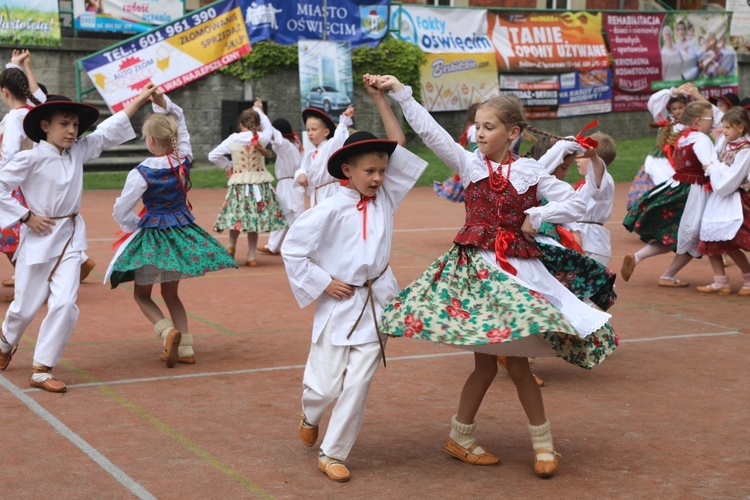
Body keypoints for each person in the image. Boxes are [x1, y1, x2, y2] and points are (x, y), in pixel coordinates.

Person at [377, 75, 618, 478]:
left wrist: (542, 210)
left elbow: (580, 203)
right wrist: (401, 93)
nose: (479, 133)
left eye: (488, 127)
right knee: (496, 366)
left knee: (508, 366)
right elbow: (430, 131)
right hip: (477, 275)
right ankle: (519, 443)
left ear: (514, 132)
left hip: (519, 272)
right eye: (477, 126)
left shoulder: (530, 171)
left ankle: (490, 439)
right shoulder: (469, 163)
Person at [281, 74, 427, 483]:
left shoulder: (386, 196)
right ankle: (310, 412)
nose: (378, 177)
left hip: (377, 299)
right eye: (369, 171)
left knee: (359, 382)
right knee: (325, 387)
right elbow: (294, 249)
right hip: (339, 300)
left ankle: (333, 451)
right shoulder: (328, 208)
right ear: (347, 169)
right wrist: (324, 282)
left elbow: (397, 146)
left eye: (382, 170)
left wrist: (380, 99)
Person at [0, 85, 160, 392]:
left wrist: (139, 101)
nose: (72, 130)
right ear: (45, 126)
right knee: (24, 308)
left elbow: (108, 131)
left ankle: (42, 368)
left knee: (65, 303)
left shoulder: (78, 151)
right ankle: (6, 342)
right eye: (64, 124)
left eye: (74, 124)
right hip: (38, 238)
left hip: (71, 238)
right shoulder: (29, 159)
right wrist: (25, 216)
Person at [106, 89, 238, 367]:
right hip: (180, 232)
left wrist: (131, 227)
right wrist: (163, 103)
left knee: (142, 295)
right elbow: (181, 118)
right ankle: (186, 348)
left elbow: (122, 208)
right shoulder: (184, 157)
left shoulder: (141, 171)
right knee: (171, 294)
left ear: (151, 140)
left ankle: (167, 332)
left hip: (154, 235)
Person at [622, 101, 718, 286]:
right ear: (698, 120)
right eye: (710, 118)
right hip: (694, 193)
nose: (712, 122)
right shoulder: (702, 139)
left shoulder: (683, 137)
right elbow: (709, 167)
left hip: (677, 187)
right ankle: (669, 275)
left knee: (672, 235)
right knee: (693, 238)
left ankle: (638, 258)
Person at [209, 99, 287, 266]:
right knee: (254, 221)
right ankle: (251, 256)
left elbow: (212, 156)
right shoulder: (262, 137)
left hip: (239, 185)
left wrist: (229, 166)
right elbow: (269, 129)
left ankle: (231, 246)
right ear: (257, 125)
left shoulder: (233, 139)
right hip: (259, 185)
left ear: (240, 124)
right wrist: (260, 110)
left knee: (237, 217)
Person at [0, 50, 45, 303]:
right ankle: (29, 280)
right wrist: (17, 65)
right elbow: (39, 95)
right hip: (33, 181)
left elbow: (8, 152)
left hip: (15, 183)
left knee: (10, 235)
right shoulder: (34, 109)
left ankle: (29, 282)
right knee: (22, 234)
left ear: (5, 92)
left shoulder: (14, 117)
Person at [695, 107, 750, 295]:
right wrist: (714, 167)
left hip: (734, 198)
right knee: (711, 239)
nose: (724, 131)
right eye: (724, 127)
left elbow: (731, 179)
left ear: (741, 127)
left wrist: (712, 169)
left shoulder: (745, 150)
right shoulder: (727, 144)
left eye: (728, 127)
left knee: (732, 242)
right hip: (719, 199)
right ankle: (720, 281)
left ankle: (749, 279)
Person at [626, 85, 688, 211]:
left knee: (677, 190)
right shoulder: (664, 120)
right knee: (656, 188)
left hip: (678, 163)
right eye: (674, 108)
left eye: (681, 108)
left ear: (686, 107)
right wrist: (673, 92)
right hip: (658, 162)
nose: (678, 111)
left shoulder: (689, 124)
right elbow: (653, 101)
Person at [566, 132, 617, 267]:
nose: (577, 158)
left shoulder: (603, 180)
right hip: (582, 240)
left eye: (583, 154)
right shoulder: (585, 184)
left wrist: (594, 158)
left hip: (592, 244)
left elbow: (598, 172)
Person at [258, 117, 304, 255]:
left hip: (290, 184)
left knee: (295, 216)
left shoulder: (286, 146)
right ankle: (273, 246)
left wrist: (260, 112)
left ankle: (302, 247)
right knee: (283, 214)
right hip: (286, 184)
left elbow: (274, 134)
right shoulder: (293, 145)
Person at [294, 105, 353, 208]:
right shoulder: (309, 154)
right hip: (316, 194)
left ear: (326, 132)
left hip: (330, 192)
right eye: (308, 130)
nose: (310, 133)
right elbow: (303, 168)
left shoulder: (329, 146)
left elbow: (338, 139)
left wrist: (344, 121)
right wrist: (301, 174)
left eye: (314, 129)